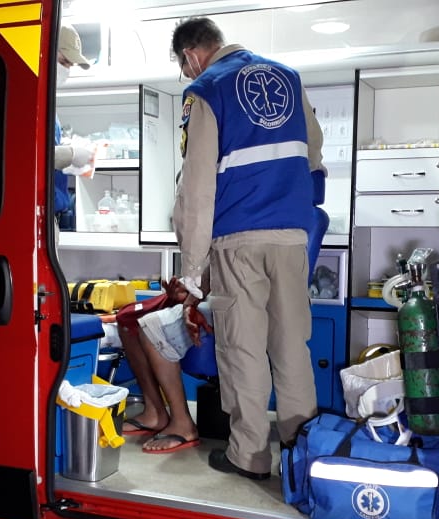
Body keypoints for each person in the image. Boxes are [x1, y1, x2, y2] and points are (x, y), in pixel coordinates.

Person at [169, 17, 325, 480]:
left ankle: (250, 455)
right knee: (292, 345)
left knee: (243, 349)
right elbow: (313, 154)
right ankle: (302, 456)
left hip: (238, 237)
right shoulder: (289, 78)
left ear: (190, 57)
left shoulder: (207, 90)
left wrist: (193, 273)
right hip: (293, 234)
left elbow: (196, 187)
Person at [116, 276, 210, 453]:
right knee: (127, 318)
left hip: (226, 296)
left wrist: (193, 294)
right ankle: (154, 412)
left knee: (152, 325)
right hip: (203, 288)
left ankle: (183, 424)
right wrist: (187, 286)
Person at [53, 24, 95, 228]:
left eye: (70, 65)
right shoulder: (23, 97)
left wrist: (64, 148)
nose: (66, 70)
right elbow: (24, 157)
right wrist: (68, 154)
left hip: (51, 217)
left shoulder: (46, 104)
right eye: (63, 62)